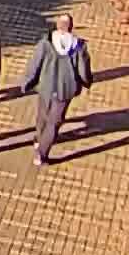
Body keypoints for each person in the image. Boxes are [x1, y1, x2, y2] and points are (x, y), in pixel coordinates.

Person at [20, 14, 95, 167]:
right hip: (65, 89)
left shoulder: (45, 43)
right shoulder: (78, 46)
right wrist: (87, 82)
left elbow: (35, 65)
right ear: (71, 27)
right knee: (54, 122)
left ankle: (38, 140)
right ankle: (41, 155)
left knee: (42, 115)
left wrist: (27, 83)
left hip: (45, 86)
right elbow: (83, 70)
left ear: (57, 25)